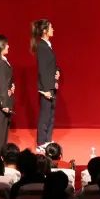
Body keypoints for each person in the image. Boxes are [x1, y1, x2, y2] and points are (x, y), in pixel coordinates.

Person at [31, 18, 59, 149]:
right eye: (51, 27)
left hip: (51, 85)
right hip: (46, 88)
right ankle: (41, 143)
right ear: (44, 31)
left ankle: (48, 139)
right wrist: (45, 89)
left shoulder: (47, 45)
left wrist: (57, 73)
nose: (53, 30)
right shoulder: (42, 46)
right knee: (45, 115)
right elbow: (42, 69)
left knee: (51, 115)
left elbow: (52, 65)